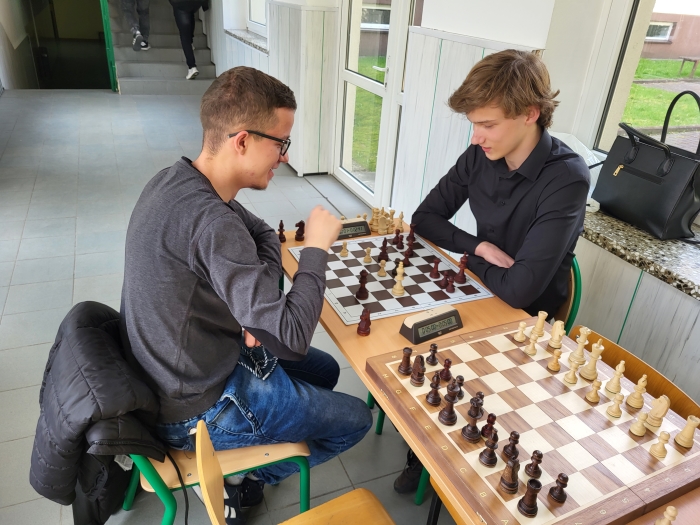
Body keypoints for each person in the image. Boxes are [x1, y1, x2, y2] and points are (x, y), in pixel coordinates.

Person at [120, 66, 373, 524]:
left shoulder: (178, 179)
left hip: (181, 369)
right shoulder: (213, 222)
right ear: (242, 141)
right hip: (196, 407)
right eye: (281, 143)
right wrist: (316, 250)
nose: (284, 157)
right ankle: (248, 478)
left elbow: (262, 234)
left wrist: (253, 308)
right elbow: (291, 338)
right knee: (357, 420)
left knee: (328, 371)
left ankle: (260, 446)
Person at [394, 49, 590, 493]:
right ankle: (424, 451)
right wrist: (477, 247)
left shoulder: (567, 178)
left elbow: (520, 290)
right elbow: (425, 218)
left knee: (448, 365)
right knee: (407, 338)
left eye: (487, 124)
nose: (476, 136)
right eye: (473, 124)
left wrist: (471, 261)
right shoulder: (480, 154)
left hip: (524, 320)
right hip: (479, 288)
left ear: (530, 114)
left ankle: (461, 460)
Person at [170, 0, 207, 79]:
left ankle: (192, 67)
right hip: (195, 3)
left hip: (180, 4)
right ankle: (191, 42)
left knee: (184, 36)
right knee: (189, 14)